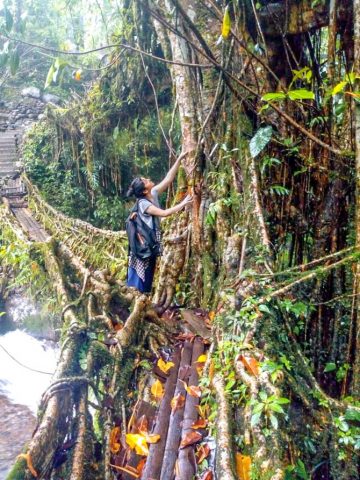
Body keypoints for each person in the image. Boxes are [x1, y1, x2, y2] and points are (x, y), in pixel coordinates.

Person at [126, 154, 192, 294]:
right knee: (140, 274)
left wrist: (179, 159)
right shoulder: (144, 204)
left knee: (148, 271)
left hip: (149, 242)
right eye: (145, 181)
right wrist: (184, 203)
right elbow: (164, 213)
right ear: (144, 190)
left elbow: (168, 179)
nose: (148, 179)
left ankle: (143, 300)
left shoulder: (153, 193)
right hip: (143, 245)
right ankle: (136, 299)